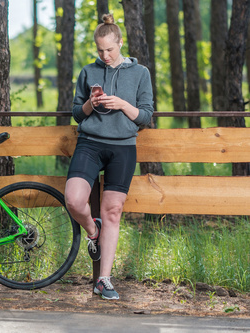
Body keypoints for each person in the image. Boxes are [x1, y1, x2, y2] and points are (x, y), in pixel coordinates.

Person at [65, 13, 154, 300]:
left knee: (113, 211)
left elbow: (146, 116)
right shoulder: (87, 72)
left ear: (120, 43)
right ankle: (93, 231)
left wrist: (122, 104)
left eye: (110, 49)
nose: (105, 55)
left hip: (123, 147)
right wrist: (91, 104)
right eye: (100, 50)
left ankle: (104, 280)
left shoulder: (140, 73)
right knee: (74, 200)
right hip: (89, 143)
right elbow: (77, 114)